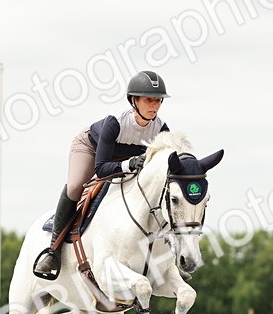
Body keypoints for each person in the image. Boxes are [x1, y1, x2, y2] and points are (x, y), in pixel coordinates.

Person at [33, 70, 171, 278]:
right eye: (149, 100)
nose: (154, 106)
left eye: (158, 101)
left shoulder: (162, 130)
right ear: (134, 101)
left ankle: (168, 259)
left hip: (123, 161)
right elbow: (101, 168)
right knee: (75, 185)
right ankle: (53, 251)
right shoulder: (114, 123)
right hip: (91, 149)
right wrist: (131, 163)